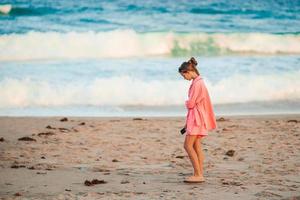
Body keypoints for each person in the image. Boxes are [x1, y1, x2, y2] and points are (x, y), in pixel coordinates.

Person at [178, 57, 217, 183]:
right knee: (196, 146)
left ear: (187, 72)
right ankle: (199, 172)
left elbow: (191, 104)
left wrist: (186, 102)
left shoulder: (197, 84)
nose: (184, 79)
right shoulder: (198, 82)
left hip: (197, 119)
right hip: (197, 118)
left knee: (187, 145)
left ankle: (198, 174)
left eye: (183, 76)